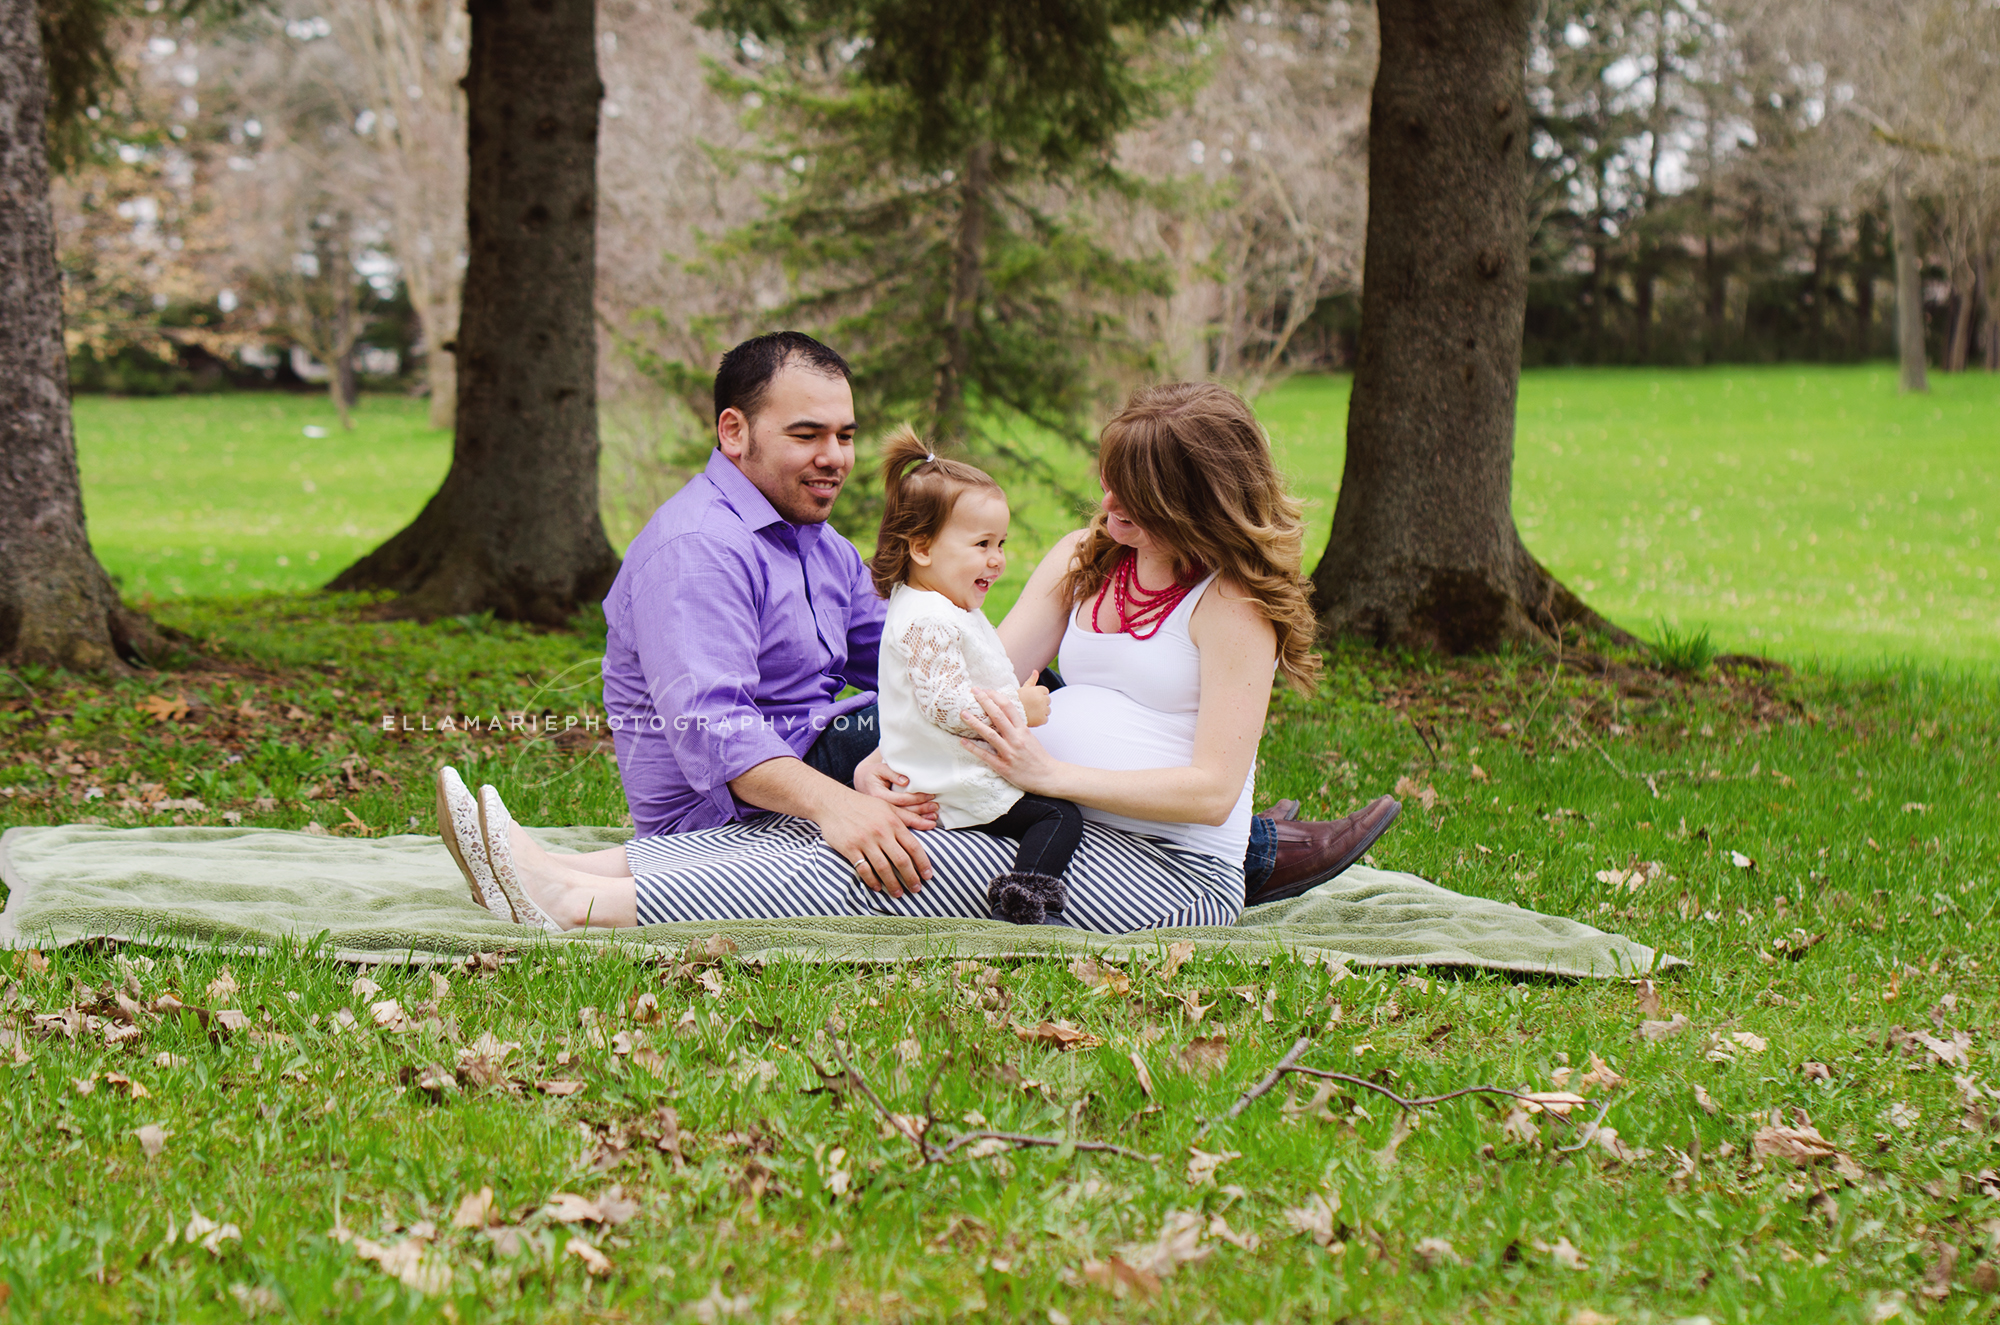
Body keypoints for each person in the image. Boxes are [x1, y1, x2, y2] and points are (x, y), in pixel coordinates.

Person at [436, 378, 1397, 935]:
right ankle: (568, 862)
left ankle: (582, 907)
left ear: (1194, 498)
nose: (1104, 504)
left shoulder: (1233, 606)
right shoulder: (1086, 557)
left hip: (1162, 867)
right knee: (855, 822)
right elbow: (974, 673)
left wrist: (1047, 766)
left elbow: (1212, 789)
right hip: (1035, 805)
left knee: (881, 866)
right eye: (1106, 483)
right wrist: (895, 754)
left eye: (1129, 491)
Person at [867, 425, 1082, 926]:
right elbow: (947, 705)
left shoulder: (936, 603)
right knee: (1059, 815)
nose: (998, 559)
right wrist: (1017, 707)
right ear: (922, 548)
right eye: (982, 543)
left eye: (1001, 543)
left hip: (947, 771)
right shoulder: (927, 619)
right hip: (949, 783)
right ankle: (1024, 903)